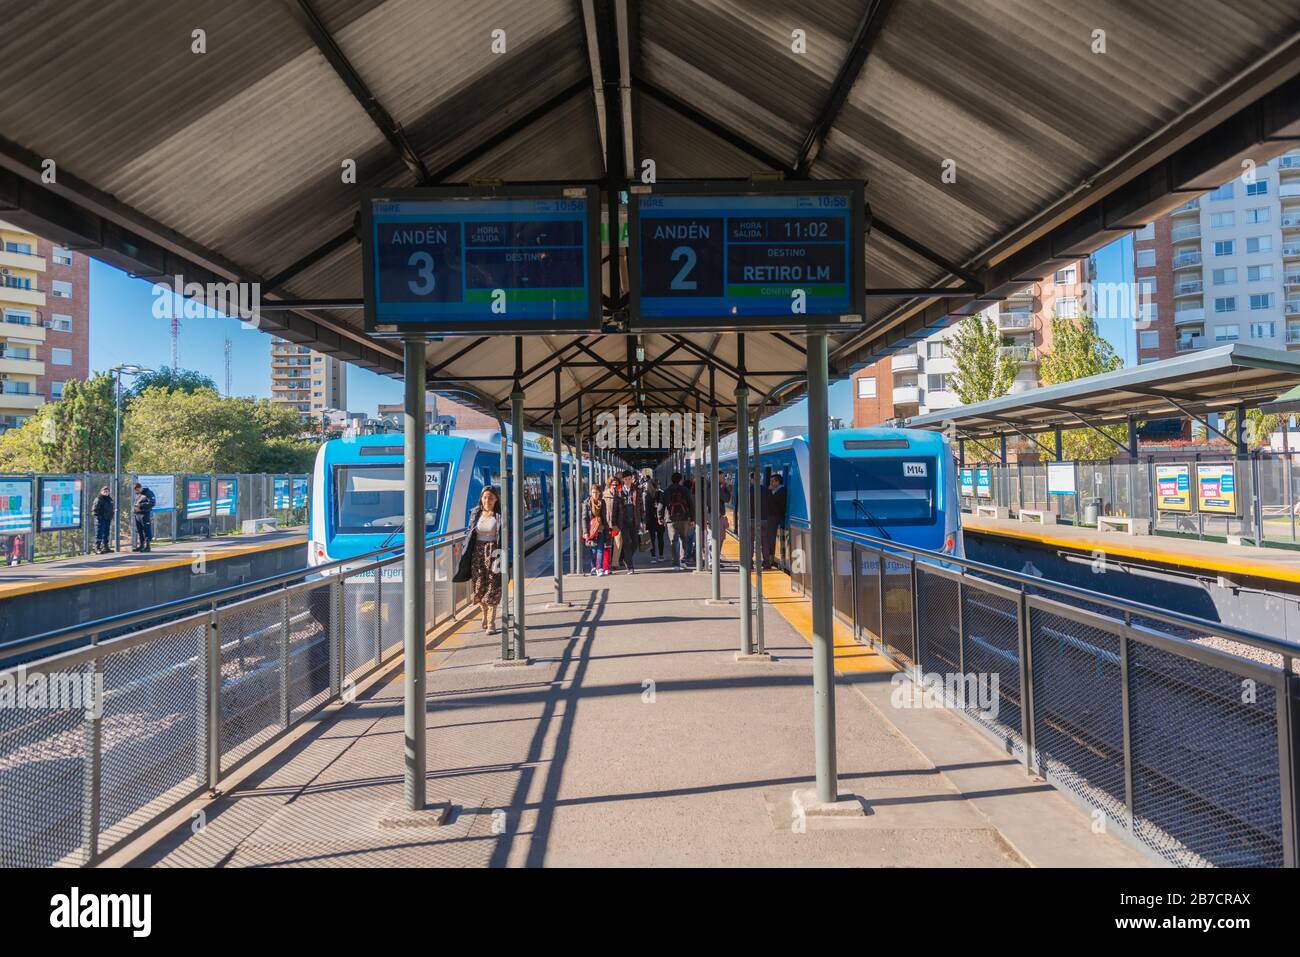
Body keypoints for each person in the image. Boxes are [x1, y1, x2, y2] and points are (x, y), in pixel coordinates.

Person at [454, 486, 503, 632]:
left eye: (491, 498)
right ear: (481, 499)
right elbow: (470, 532)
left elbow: (506, 535)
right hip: (477, 553)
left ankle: (491, 623)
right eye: (485, 497)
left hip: (494, 552)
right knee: (479, 585)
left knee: (493, 586)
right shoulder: (475, 513)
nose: (487, 500)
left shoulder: (500, 515)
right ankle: (484, 613)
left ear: (496, 500)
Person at [662, 471, 695, 569]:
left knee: (674, 541)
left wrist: (660, 517)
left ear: (671, 480)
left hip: (670, 519)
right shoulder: (685, 490)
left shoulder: (667, 490)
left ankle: (675, 564)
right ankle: (683, 560)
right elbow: (691, 504)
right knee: (683, 539)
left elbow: (661, 504)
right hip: (684, 518)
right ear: (680, 480)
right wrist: (692, 518)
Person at [617, 470, 643, 573]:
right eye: (626, 479)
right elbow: (616, 507)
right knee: (627, 543)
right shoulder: (619, 492)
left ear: (632, 479)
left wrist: (643, 520)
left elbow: (641, 505)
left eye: (629, 479)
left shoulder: (636, 490)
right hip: (623, 521)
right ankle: (630, 566)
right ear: (623, 480)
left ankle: (625, 558)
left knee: (636, 542)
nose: (628, 481)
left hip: (634, 520)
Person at [582, 484, 611, 576]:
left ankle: (600, 568)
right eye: (593, 492)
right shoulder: (586, 503)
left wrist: (607, 529)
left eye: (596, 492)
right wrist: (585, 532)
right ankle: (593, 567)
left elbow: (605, 517)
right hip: (591, 530)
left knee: (600, 548)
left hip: (600, 528)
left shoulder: (602, 502)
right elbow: (584, 518)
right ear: (591, 493)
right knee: (593, 549)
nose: (595, 494)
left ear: (599, 493)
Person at [762, 473, 787, 569]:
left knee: (770, 538)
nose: (771, 483)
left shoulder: (781, 490)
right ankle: (769, 558)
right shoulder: (775, 490)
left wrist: (768, 491)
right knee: (769, 537)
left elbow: (771, 501)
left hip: (774, 517)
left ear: (778, 481)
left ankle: (770, 559)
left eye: (773, 481)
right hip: (772, 517)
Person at [602, 476, 624, 572]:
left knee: (618, 542)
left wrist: (619, 525)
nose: (615, 486)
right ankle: (606, 564)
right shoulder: (604, 495)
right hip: (606, 524)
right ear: (609, 484)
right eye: (613, 484)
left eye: (616, 484)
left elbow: (621, 512)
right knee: (607, 544)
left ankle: (615, 563)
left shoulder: (619, 497)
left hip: (615, 524)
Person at [645, 477, 665, 562]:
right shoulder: (661, 493)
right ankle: (661, 556)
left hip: (651, 519)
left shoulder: (647, 495)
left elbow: (646, 509)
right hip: (660, 518)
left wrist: (645, 521)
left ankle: (653, 556)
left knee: (652, 539)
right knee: (660, 538)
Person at [131, 482, 156, 552]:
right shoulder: (139, 494)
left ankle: (148, 546)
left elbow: (152, 503)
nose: (136, 492)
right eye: (136, 491)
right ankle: (141, 545)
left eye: (137, 490)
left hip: (145, 514)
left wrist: (141, 505)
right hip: (137, 514)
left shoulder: (148, 493)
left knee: (146, 530)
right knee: (139, 531)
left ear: (140, 488)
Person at [91, 485, 114, 554]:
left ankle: (106, 547)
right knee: (99, 533)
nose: (106, 492)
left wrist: (111, 516)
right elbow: (94, 510)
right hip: (100, 519)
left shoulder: (109, 499)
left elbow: (111, 508)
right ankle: (97, 548)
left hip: (107, 519)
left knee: (106, 533)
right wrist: (99, 517)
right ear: (101, 491)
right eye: (105, 491)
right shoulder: (99, 499)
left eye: (107, 491)